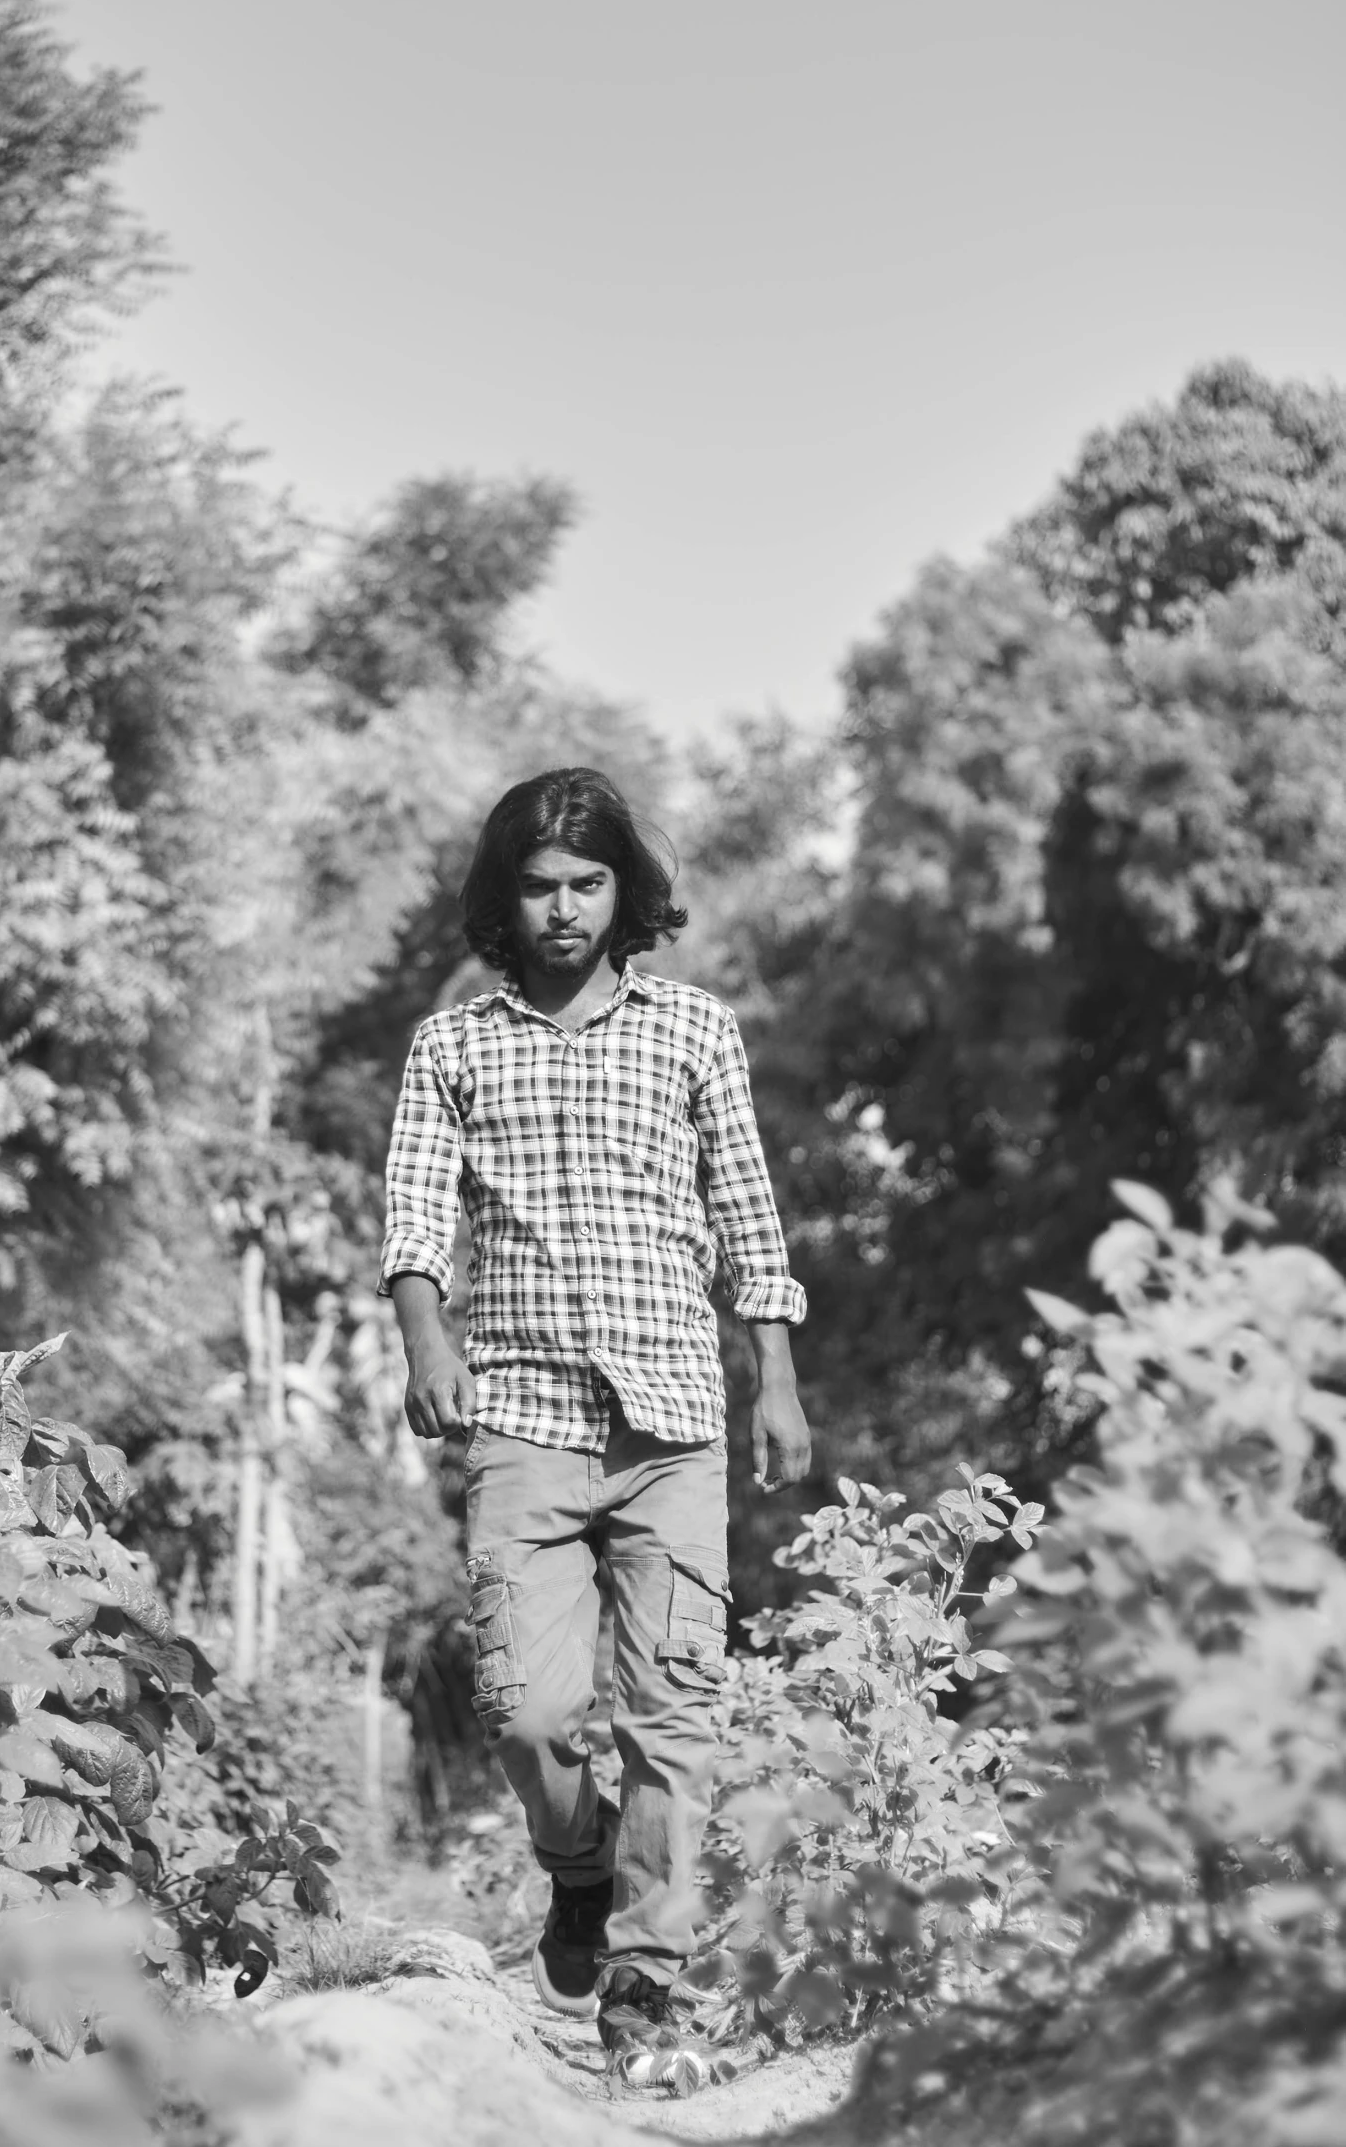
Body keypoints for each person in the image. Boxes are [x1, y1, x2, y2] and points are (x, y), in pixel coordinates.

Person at [380, 766, 811, 2083]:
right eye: (538, 886)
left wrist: (776, 1374)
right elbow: (411, 1211)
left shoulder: (692, 1029)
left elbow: (745, 1207)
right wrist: (423, 1336)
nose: (563, 909)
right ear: (502, 900)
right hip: (519, 1414)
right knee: (525, 1707)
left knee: (673, 1705)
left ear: (622, 890)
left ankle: (648, 1981)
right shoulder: (454, 1044)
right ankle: (577, 1869)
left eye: (586, 882)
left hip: (674, 1414)